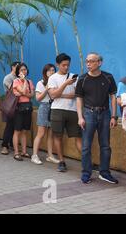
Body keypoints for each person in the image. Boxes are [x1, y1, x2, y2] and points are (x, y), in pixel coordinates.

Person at [76, 53, 119, 184]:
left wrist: (113, 116)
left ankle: (105, 173)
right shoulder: (82, 79)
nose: (88, 64)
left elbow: (113, 97)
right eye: (87, 61)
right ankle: (86, 173)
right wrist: (80, 117)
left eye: (91, 61)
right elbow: (79, 98)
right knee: (86, 146)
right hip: (88, 114)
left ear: (99, 62)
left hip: (105, 114)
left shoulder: (108, 77)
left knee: (105, 146)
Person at [48, 53, 82, 173]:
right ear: (58, 65)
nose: (66, 67)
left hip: (73, 111)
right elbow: (52, 95)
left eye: (68, 65)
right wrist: (65, 84)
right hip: (57, 110)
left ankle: (86, 161)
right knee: (58, 136)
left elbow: (77, 95)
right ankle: (61, 161)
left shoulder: (74, 77)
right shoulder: (52, 78)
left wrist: (60, 94)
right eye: (63, 65)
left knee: (78, 137)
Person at [31, 64, 60, 165]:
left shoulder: (56, 83)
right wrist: (47, 88)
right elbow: (38, 99)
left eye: (53, 70)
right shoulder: (40, 83)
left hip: (54, 107)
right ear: (45, 72)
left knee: (51, 134)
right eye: (49, 70)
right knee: (41, 133)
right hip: (44, 108)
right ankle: (34, 155)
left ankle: (50, 155)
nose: (51, 72)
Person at [12, 63, 35, 161]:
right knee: (17, 131)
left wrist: (24, 92)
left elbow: (31, 95)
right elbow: (22, 91)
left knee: (25, 131)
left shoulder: (30, 82)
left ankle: (24, 151)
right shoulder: (16, 81)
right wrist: (24, 82)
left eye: (25, 69)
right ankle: (16, 152)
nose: (23, 71)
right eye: (21, 70)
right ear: (18, 72)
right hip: (19, 108)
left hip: (27, 108)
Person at [1, 61, 21, 155]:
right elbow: (14, 90)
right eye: (17, 67)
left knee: (15, 126)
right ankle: (4, 146)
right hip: (11, 103)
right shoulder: (8, 78)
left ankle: (13, 145)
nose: (19, 69)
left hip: (19, 104)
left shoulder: (19, 78)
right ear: (13, 67)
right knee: (9, 126)